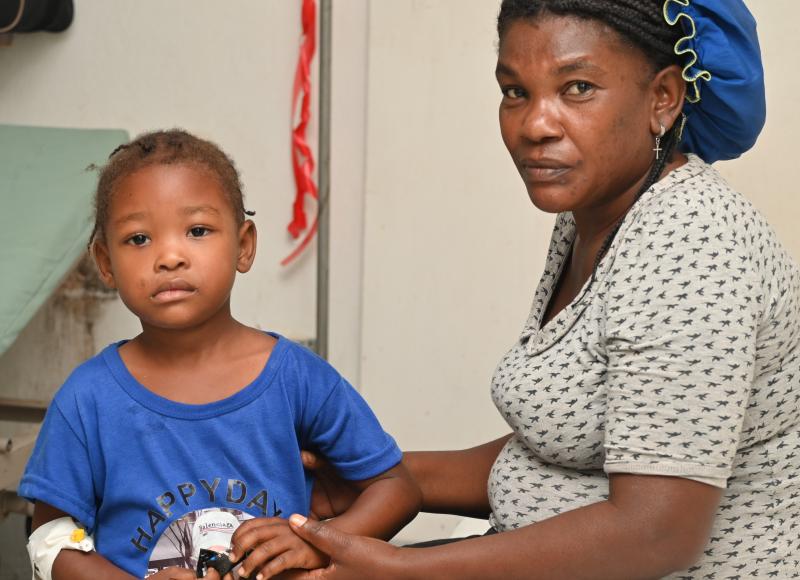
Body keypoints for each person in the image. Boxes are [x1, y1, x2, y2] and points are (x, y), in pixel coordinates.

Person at [268, 1, 800, 578]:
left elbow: (657, 534)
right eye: (516, 91)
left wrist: (405, 571)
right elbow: (566, 450)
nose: (534, 125)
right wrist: (390, 479)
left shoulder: (690, 245)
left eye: (577, 88)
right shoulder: (595, 209)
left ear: (663, 99)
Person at [19, 129, 422, 580]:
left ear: (244, 245)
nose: (169, 256)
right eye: (138, 239)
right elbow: (49, 536)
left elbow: (396, 488)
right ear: (106, 262)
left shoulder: (297, 379)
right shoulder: (87, 399)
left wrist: (316, 540)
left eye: (197, 230)